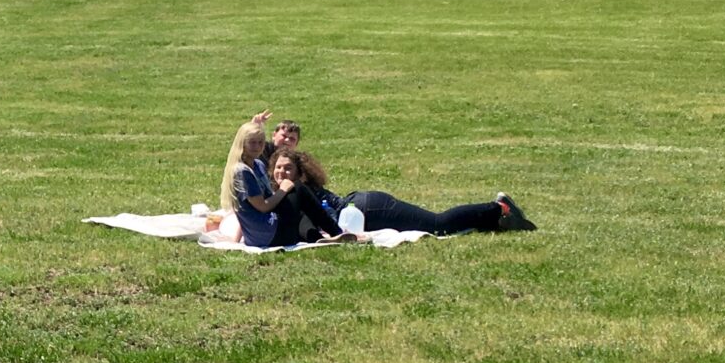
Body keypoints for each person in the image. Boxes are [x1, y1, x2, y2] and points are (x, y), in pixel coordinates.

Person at [279, 121, 538, 235]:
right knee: (436, 224)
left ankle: (499, 208)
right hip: (364, 205)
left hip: (368, 208)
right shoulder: (294, 188)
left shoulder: (301, 190)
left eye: (287, 170)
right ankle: (495, 222)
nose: (281, 174)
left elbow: (327, 214)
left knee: (437, 224)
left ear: (302, 174)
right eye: (277, 170)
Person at [220, 122, 351, 249]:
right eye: (252, 142)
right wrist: (283, 190)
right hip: (268, 236)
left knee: (296, 204)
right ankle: (336, 232)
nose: (257, 146)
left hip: (268, 232)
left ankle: (316, 238)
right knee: (298, 189)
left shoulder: (258, 165)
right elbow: (262, 207)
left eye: (260, 142)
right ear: (242, 143)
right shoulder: (242, 172)